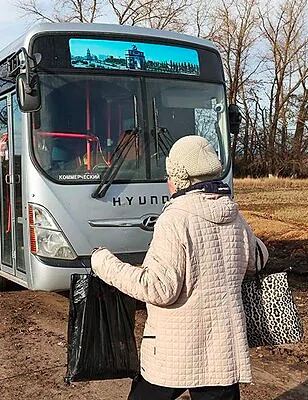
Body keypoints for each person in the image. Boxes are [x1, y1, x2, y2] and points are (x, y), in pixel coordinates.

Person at [90, 135, 268, 400]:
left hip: (175, 351)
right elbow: (257, 260)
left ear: (179, 178)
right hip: (222, 353)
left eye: (169, 174)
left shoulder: (174, 219)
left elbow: (159, 289)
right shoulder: (235, 216)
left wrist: (103, 263)